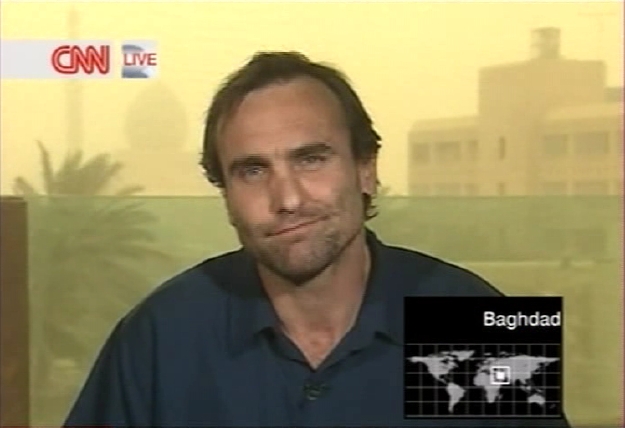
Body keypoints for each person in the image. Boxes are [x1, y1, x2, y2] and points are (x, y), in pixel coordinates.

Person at [64, 51, 570, 427]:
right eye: (252, 170)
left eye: (311, 160)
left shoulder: (471, 320)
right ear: (226, 195)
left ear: (366, 169)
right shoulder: (163, 335)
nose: (287, 198)